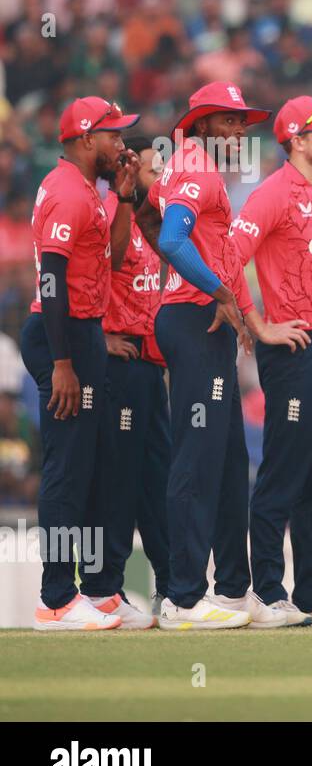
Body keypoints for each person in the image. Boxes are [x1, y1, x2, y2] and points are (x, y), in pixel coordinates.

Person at [142, 81, 309, 630]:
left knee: (231, 460)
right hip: (193, 319)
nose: (240, 132)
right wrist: (219, 293)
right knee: (196, 459)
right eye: (230, 122)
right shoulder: (196, 165)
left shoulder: (191, 165)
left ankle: (234, 593)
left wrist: (241, 311)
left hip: (208, 322)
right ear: (203, 125)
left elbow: (168, 227)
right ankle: (181, 599)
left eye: (243, 123)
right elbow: (170, 240)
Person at [230, 96, 312, 625]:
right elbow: (227, 259)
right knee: (284, 472)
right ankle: (267, 589)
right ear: (296, 140)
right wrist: (256, 324)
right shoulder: (270, 195)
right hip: (293, 349)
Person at [22, 96, 140, 630]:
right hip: (59, 337)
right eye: (114, 134)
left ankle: (95, 590)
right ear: (86, 139)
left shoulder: (91, 192)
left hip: (83, 334)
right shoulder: (69, 193)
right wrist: (66, 361)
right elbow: (50, 281)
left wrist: (126, 198)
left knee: (92, 468)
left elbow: (111, 260)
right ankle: (55, 597)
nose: (122, 142)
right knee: (67, 469)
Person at [83, 134, 170, 628]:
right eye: (154, 171)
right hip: (121, 362)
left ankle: (175, 586)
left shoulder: (148, 224)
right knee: (116, 480)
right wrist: (98, 339)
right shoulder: (108, 215)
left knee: (155, 480)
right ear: (131, 170)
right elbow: (89, 276)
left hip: (151, 366)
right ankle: (103, 589)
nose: (162, 179)